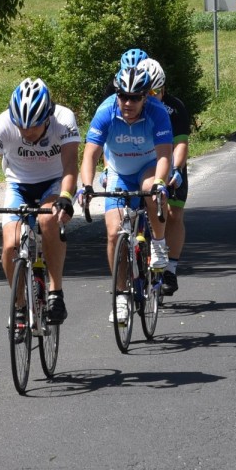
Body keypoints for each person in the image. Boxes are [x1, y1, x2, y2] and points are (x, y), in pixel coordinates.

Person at [0, 78, 80, 327]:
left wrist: (65, 197)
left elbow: (71, 164)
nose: (27, 133)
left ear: (48, 117)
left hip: (53, 181)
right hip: (18, 184)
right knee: (10, 245)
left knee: (48, 220)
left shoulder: (64, 119)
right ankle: (19, 305)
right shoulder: (3, 122)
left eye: (34, 127)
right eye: (22, 127)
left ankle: (55, 292)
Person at [78, 64, 172, 322]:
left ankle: (159, 244)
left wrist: (161, 181)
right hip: (119, 171)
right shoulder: (105, 111)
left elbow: (165, 154)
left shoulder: (157, 112)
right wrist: (86, 186)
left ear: (145, 96)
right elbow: (90, 154)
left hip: (149, 166)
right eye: (123, 96)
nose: (127, 102)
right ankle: (121, 296)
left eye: (134, 97)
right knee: (113, 233)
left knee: (149, 190)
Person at [137, 58, 191, 296]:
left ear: (164, 88)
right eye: (145, 92)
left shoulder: (174, 107)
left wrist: (177, 170)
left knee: (173, 213)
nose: (150, 96)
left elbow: (180, 144)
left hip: (170, 162)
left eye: (155, 91)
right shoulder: (133, 106)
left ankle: (170, 268)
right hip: (141, 163)